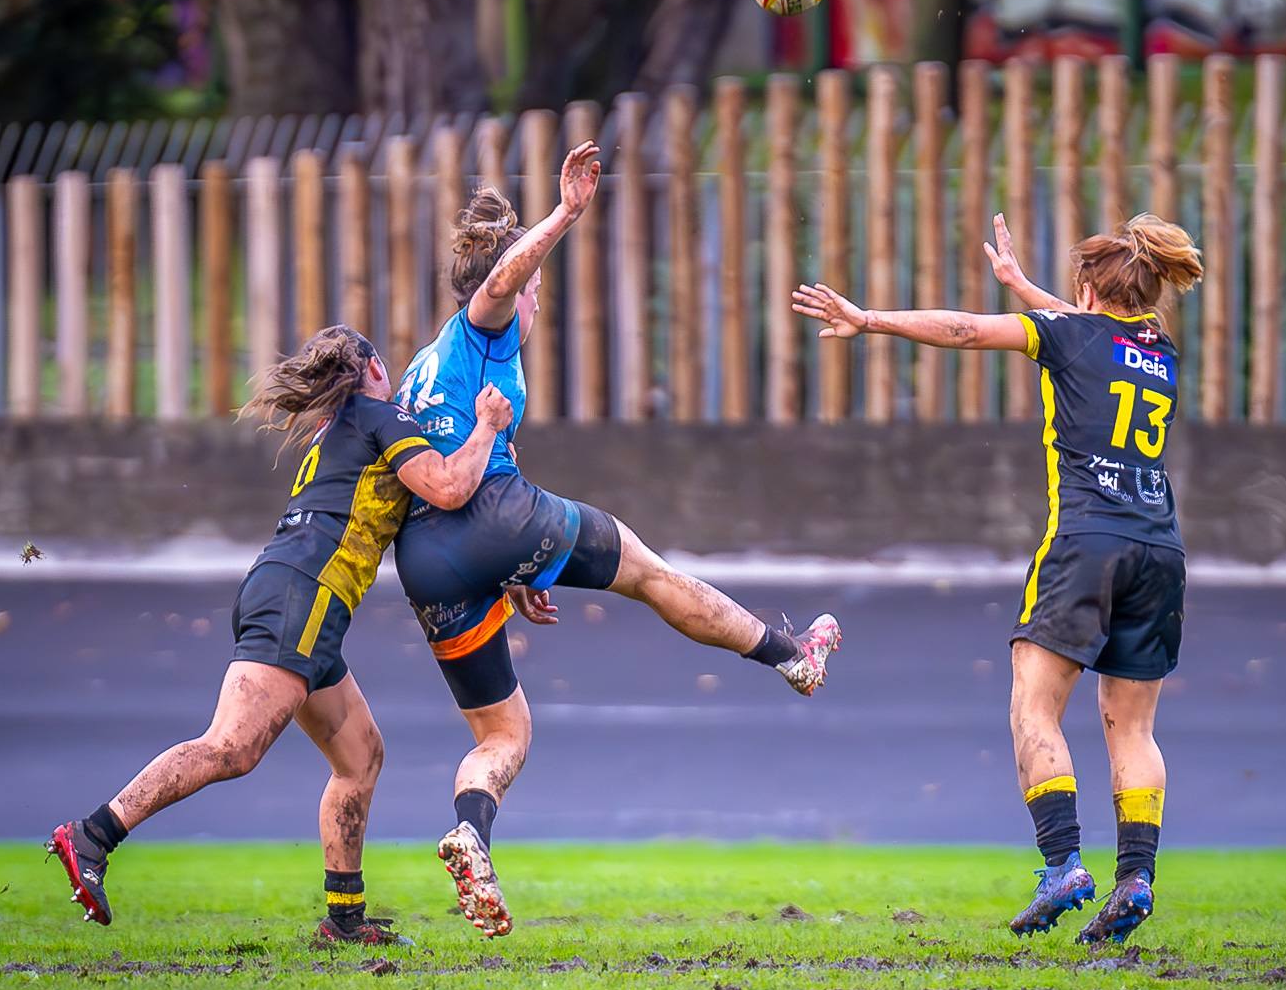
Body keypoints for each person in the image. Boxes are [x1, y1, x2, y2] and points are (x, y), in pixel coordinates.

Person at [391, 142, 842, 939]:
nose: (535, 302)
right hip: (494, 514)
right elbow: (500, 285)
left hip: (424, 560)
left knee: (503, 732)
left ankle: (469, 831)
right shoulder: (485, 327)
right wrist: (565, 213)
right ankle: (791, 655)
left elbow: (440, 468)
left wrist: (512, 571)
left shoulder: (424, 367)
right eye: (535, 289)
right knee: (651, 574)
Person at [793, 212, 1202, 946]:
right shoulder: (1159, 349)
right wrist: (1022, 285)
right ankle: (1136, 877)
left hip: (1086, 542)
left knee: (1033, 709)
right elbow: (1090, 328)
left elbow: (966, 331)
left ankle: (1063, 864)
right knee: (1134, 727)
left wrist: (869, 318)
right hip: (1161, 550)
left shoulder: (1067, 334)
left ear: (1086, 291)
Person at [48, 325, 516, 944]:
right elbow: (450, 487)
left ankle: (344, 921)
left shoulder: (341, 428)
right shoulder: (379, 417)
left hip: (296, 595)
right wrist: (487, 425)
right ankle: (92, 835)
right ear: (374, 368)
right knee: (231, 747)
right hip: (301, 596)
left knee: (361, 757)